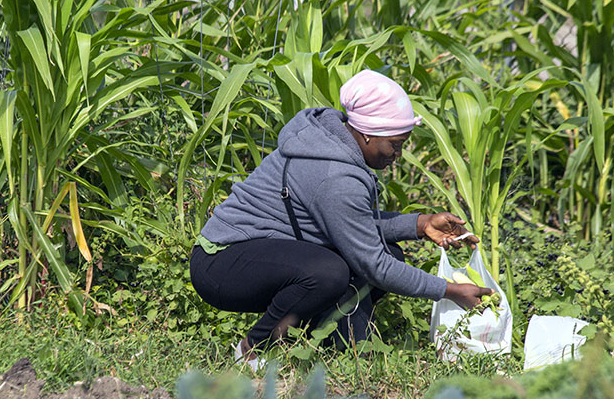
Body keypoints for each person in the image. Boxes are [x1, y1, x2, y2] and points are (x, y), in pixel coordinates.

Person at [189, 69, 492, 367]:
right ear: (367, 134)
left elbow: (352, 224)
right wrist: (449, 291)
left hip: (263, 251)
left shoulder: (332, 141)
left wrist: (420, 224)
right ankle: (254, 349)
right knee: (329, 272)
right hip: (221, 263)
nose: (397, 154)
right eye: (395, 144)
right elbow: (374, 266)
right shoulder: (336, 177)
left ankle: (335, 349)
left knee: (389, 254)